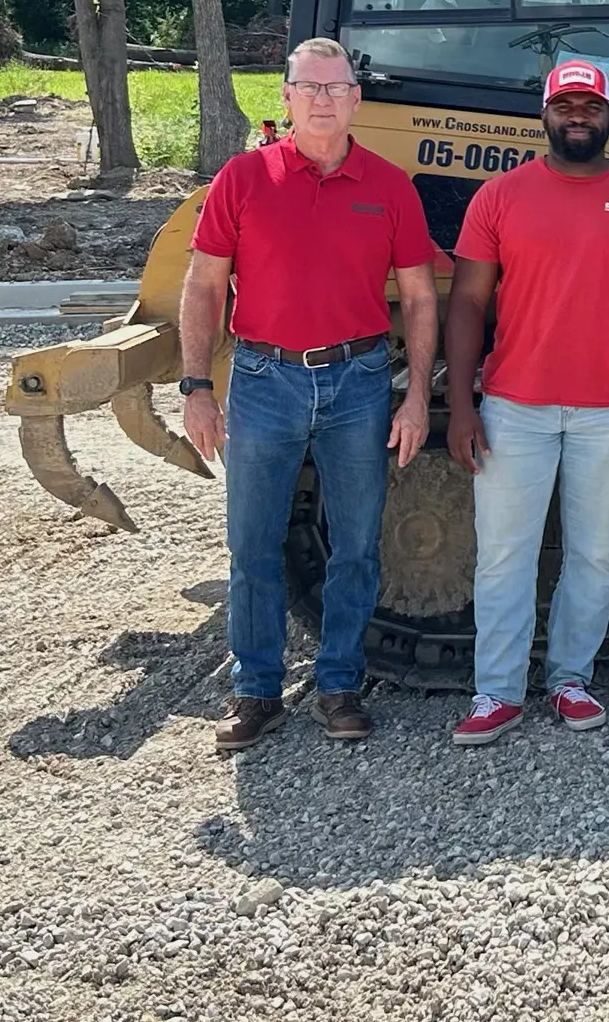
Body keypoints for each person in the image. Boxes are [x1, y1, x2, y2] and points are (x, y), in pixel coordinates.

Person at [180, 37, 439, 750]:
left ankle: (339, 684)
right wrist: (198, 387)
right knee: (252, 545)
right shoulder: (242, 178)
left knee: (356, 545)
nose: (323, 98)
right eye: (309, 86)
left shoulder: (389, 187)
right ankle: (256, 692)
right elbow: (202, 284)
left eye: (336, 86)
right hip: (264, 381)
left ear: (358, 99)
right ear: (287, 97)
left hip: (358, 382)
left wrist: (417, 395)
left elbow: (419, 299)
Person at [442, 61, 609, 745]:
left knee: (594, 556)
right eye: (565, 105)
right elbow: (467, 302)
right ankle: (496, 692)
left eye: (590, 105)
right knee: (503, 555)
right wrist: (462, 406)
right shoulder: (499, 199)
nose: (577, 115)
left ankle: (570, 679)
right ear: (545, 114)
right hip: (512, 408)